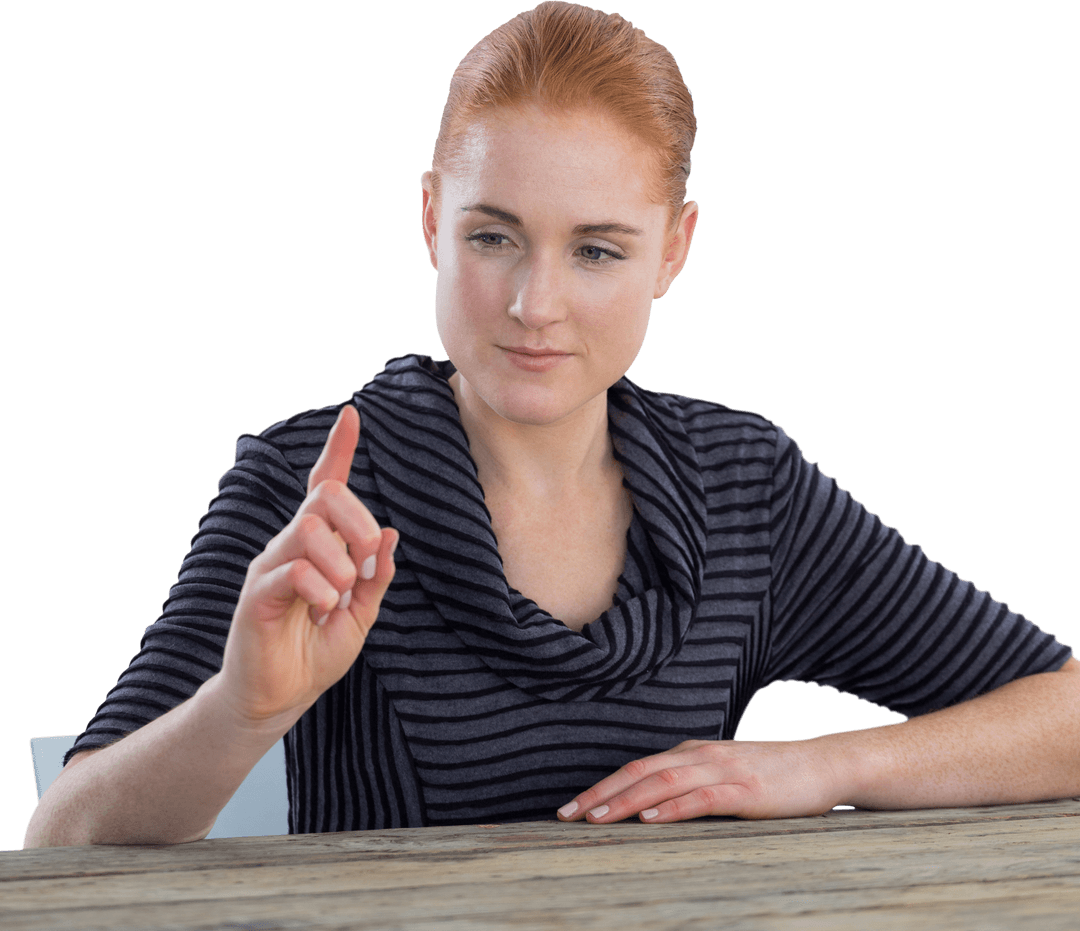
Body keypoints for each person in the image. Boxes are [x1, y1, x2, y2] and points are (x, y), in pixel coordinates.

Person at [24, 1, 1079, 848]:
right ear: (433, 218)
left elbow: (1064, 715)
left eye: (598, 250)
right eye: (494, 236)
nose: (536, 304)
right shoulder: (307, 485)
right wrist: (240, 709)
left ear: (674, 250)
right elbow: (63, 835)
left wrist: (821, 765)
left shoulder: (744, 485)